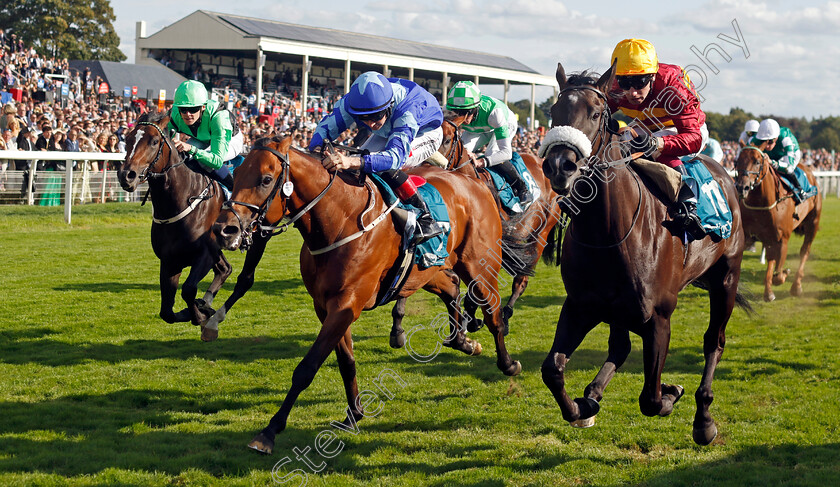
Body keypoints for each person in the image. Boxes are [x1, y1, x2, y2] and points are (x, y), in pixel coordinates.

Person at [307, 71, 444, 243]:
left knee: (379, 165)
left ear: (389, 105)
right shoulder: (352, 102)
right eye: (363, 119)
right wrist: (317, 149)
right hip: (388, 130)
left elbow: (394, 157)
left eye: (376, 116)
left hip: (426, 133)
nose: (371, 124)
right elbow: (324, 128)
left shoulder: (407, 108)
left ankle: (425, 219)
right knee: (360, 165)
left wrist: (350, 161)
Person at [607, 38, 706, 238]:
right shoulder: (615, 87)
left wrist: (658, 142)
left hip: (684, 130)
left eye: (639, 82)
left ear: (652, 76)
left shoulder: (673, 85)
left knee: (653, 148)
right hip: (646, 126)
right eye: (625, 83)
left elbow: (693, 137)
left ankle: (688, 204)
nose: (632, 92)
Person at [445, 81, 533, 205]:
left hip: (504, 122)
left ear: (475, 108)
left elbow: (506, 153)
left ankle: (522, 188)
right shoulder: (446, 109)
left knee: (492, 152)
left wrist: (482, 162)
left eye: (466, 112)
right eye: (457, 112)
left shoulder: (495, 113)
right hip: (478, 129)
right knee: (459, 151)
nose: (462, 117)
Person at [168, 80, 242, 191]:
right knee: (183, 156)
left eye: (193, 109)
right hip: (202, 138)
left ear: (203, 107)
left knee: (205, 162)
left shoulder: (219, 118)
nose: (188, 114)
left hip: (231, 140)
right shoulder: (175, 114)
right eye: (183, 109)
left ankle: (234, 189)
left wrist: (191, 149)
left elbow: (216, 161)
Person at [750, 118, 807, 203]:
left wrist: (771, 162)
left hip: (789, 155)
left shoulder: (786, 139)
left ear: (776, 138)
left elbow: (789, 167)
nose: (767, 146)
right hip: (773, 155)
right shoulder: (755, 139)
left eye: (770, 142)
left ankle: (800, 190)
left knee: (787, 171)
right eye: (763, 141)